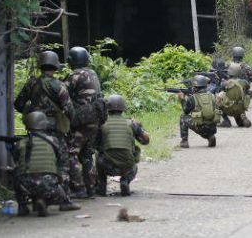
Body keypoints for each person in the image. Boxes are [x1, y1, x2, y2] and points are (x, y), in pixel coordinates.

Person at [13, 51, 79, 209]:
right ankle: (65, 201)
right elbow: (69, 109)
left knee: (33, 157)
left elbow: (18, 104)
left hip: (35, 127)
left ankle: (34, 198)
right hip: (54, 128)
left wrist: (31, 112)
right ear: (55, 66)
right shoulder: (59, 85)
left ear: (40, 64)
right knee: (62, 162)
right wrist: (70, 122)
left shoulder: (31, 84)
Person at [12, 111, 78, 217]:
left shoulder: (20, 143)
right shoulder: (54, 141)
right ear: (44, 124)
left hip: (25, 186)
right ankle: (51, 202)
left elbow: (17, 160)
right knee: (63, 171)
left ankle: (22, 206)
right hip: (49, 186)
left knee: (16, 172)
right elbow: (62, 161)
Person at [63, 46, 105, 198]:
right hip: (95, 120)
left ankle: (79, 188)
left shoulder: (74, 76)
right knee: (87, 155)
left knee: (71, 154)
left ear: (71, 61)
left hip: (82, 122)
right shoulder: (93, 73)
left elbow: (61, 93)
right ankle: (91, 188)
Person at [95, 95, 150, 197]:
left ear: (108, 109)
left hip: (108, 166)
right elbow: (145, 141)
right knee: (134, 163)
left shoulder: (102, 125)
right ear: (123, 109)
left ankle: (101, 187)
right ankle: (125, 180)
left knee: (98, 155)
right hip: (127, 167)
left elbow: (95, 145)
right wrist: (139, 126)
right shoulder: (131, 124)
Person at [178, 75, 222, 148]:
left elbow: (186, 111)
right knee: (206, 122)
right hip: (212, 128)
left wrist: (182, 99)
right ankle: (210, 136)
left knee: (183, 117)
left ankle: (184, 141)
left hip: (200, 127)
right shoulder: (212, 95)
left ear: (195, 87)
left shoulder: (192, 98)